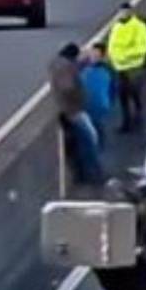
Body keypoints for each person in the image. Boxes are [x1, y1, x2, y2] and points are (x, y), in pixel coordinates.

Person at [48, 43, 104, 186]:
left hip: (65, 109)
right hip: (73, 109)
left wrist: (85, 60)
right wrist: (79, 97)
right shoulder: (65, 67)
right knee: (90, 137)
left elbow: (75, 67)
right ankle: (92, 172)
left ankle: (81, 173)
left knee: (74, 142)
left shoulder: (58, 64)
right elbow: (68, 86)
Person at [107, 2, 146, 132]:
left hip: (134, 67)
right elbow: (112, 45)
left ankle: (138, 119)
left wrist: (124, 56)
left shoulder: (139, 27)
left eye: (125, 12)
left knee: (135, 95)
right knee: (122, 97)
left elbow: (143, 47)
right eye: (121, 12)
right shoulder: (117, 26)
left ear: (131, 12)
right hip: (119, 68)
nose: (123, 14)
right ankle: (126, 123)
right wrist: (113, 57)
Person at [79, 42, 114, 143]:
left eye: (96, 55)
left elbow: (112, 89)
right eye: (92, 54)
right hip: (89, 104)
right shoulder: (85, 68)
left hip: (99, 104)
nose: (93, 57)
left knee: (96, 126)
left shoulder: (106, 71)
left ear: (102, 56)